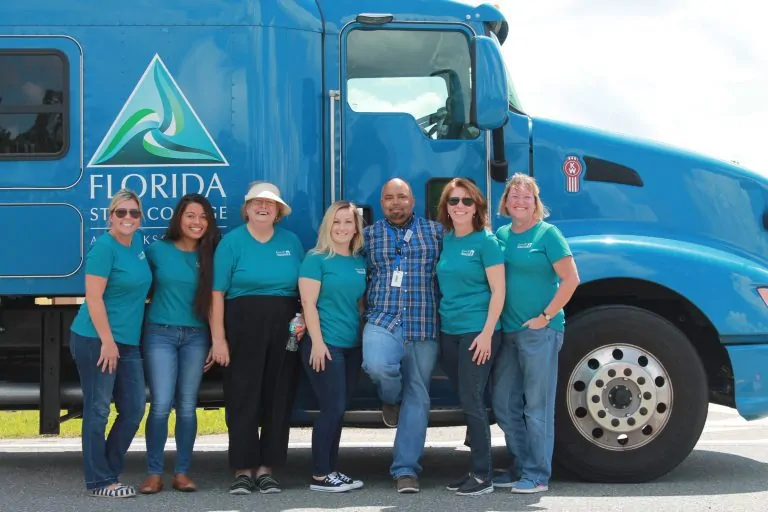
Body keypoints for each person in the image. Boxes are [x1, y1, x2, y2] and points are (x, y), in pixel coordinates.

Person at [210, 181, 306, 495]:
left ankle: (267, 470)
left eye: (270, 204)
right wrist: (219, 339)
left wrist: (302, 317)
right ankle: (243, 469)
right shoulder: (231, 243)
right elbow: (216, 294)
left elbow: (304, 288)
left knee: (279, 396)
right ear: (247, 209)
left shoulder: (291, 242)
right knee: (242, 397)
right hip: (241, 327)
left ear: (278, 211)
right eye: (257, 203)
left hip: (286, 327)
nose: (263, 208)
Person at [491, 173, 580, 494]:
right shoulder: (501, 235)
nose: (519, 201)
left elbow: (571, 280)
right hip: (509, 332)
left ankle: (538, 474)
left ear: (535, 202)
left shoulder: (548, 234)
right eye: (514, 195)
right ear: (506, 202)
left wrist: (546, 316)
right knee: (503, 402)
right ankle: (521, 465)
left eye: (526, 196)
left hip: (540, 332)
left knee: (537, 406)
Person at [361, 178, 443, 494]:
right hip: (383, 320)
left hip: (423, 324)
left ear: (413, 201)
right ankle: (389, 399)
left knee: (419, 395)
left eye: (402, 197)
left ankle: (405, 469)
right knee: (377, 365)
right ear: (381, 203)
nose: (396, 203)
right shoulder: (368, 236)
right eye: (389, 198)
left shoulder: (436, 233)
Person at [69, 188, 152, 498]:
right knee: (98, 409)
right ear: (111, 216)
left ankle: (108, 471)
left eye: (133, 213)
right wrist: (107, 341)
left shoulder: (138, 244)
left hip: (127, 342)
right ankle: (100, 482)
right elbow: (93, 297)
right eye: (121, 212)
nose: (127, 218)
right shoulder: (104, 248)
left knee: (133, 408)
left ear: (140, 218)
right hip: (96, 339)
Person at [139, 194, 220, 494]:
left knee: (187, 406)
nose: (197, 222)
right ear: (179, 219)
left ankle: (182, 473)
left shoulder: (211, 254)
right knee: (160, 404)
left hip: (197, 337)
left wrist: (216, 339)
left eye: (203, 217)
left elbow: (215, 300)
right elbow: (135, 284)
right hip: (159, 333)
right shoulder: (157, 251)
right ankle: (153, 473)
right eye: (190, 215)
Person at [434, 178, 505, 496]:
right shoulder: (446, 239)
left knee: (473, 401)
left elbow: (499, 290)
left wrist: (488, 334)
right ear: (445, 208)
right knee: (468, 397)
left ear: (477, 207)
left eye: (466, 201)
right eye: (453, 201)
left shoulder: (486, 241)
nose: (459, 206)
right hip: (450, 331)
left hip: (478, 332)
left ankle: (482, 475)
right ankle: (479, 469)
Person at [299, 200, 368, 493]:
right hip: (326, 346)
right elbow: (308, 304)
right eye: (336, 222)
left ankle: (331, 470)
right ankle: (320, 474)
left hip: (351, 346)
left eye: (348, 222)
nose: (342, 227)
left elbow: (359, 304)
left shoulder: (358, 261)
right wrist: (317, 343)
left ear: (356, 227)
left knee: (339, 409)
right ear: (328, 225)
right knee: (332, 407)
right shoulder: (316, 259)